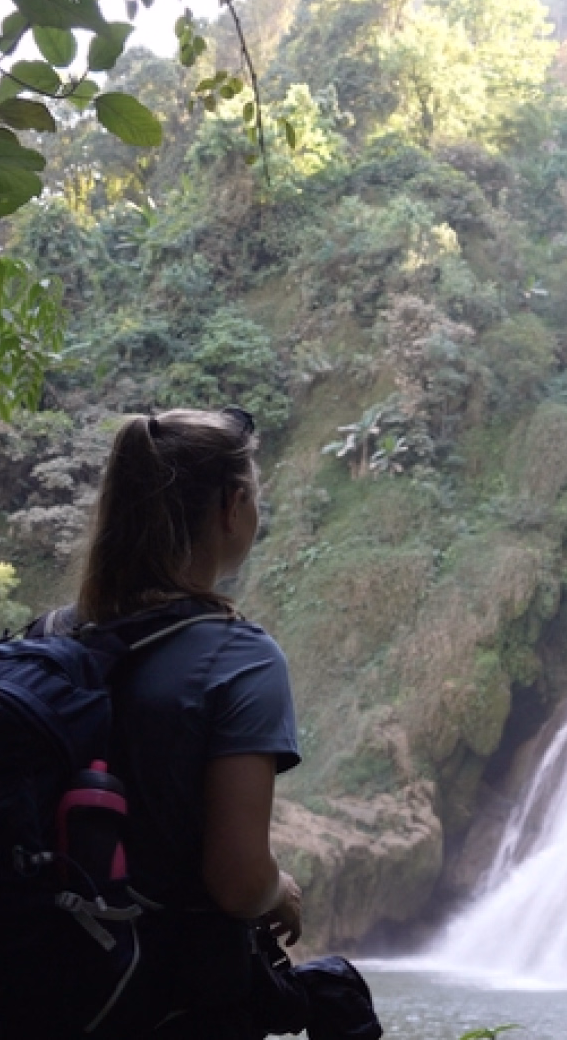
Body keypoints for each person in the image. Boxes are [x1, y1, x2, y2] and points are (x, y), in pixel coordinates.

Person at [65, 407, 377, 1040]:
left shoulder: (58, 638)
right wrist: (280, 889)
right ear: (233, 506)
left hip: (53, 985)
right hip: (167, 1001)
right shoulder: (239, 657)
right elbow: (237, 880)